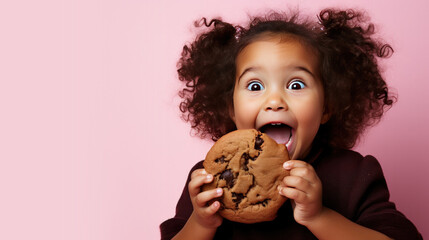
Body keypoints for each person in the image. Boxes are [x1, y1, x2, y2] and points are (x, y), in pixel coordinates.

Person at [160, 8, 422, 240]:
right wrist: (201, 223)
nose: (274, 101)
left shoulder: (354, 174)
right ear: (230, 107)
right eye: (255, 86)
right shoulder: (208, 180)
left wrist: (319, 217)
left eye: (296, 85)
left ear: (327, 107)